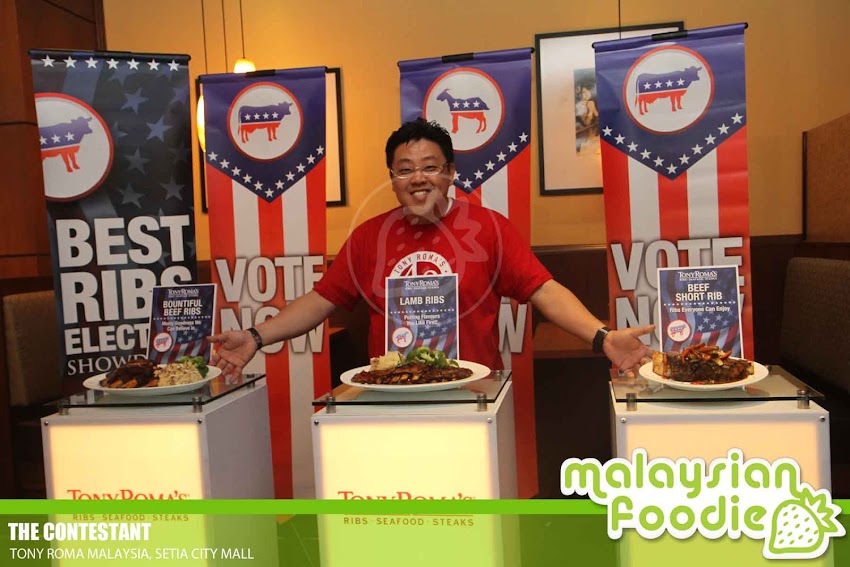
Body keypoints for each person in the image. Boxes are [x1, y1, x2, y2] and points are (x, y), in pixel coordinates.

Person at [209, 118, 653, 377]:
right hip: (392, 397)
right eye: (404, 169)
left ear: (450, 173)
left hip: (472, 397)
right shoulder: (367, 237)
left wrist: (603, 336)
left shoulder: (489, 229)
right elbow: (319, 301)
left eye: (429, 167)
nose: (417, 178)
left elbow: (545, 291)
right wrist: (255, 336)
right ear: (392, 178)